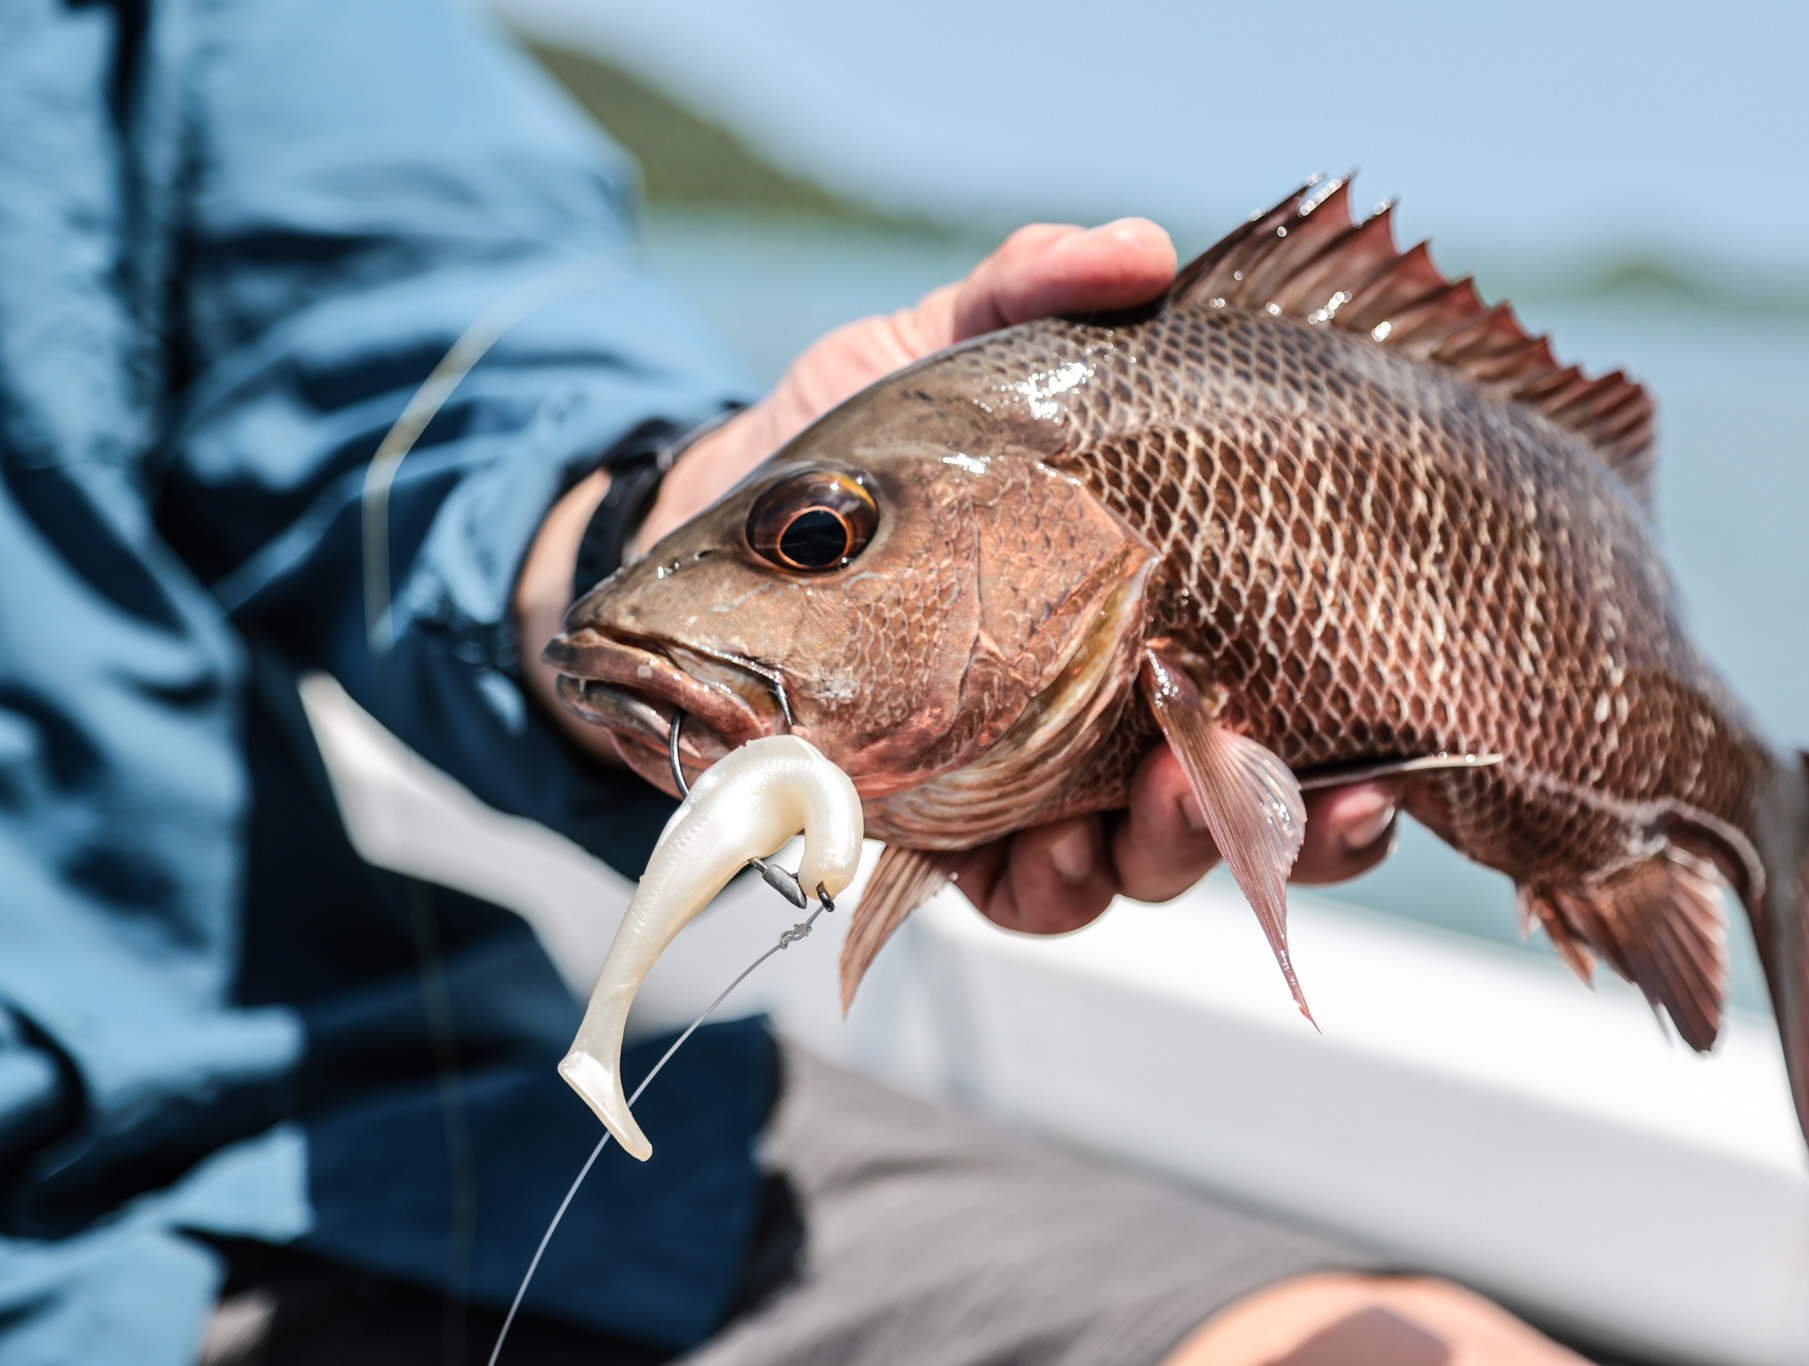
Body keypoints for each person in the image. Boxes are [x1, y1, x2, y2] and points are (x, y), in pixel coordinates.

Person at [0, 0, 1584, 1361]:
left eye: (820, 536)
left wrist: (650, 512)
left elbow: (406, 349)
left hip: (269, 1136)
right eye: (813, 534)